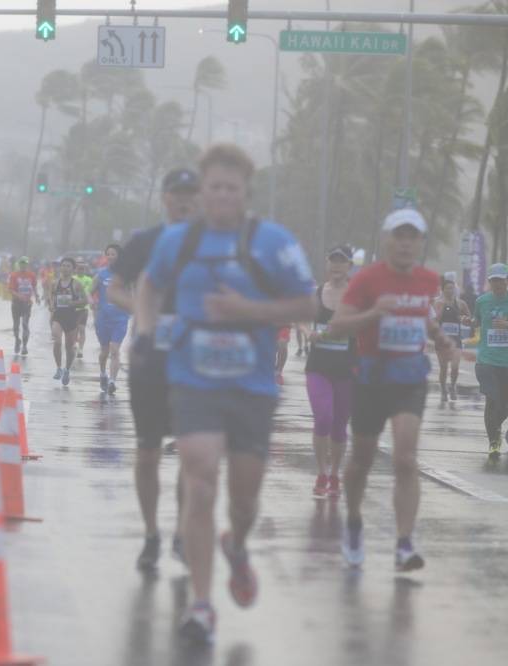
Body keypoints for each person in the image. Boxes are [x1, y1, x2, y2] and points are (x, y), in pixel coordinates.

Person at [134, 143, 315, 643]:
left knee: (242, 499)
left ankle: (236, 544)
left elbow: (307, 302)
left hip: (252, 387)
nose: (219, 195)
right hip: (194, 382)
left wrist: (247, 311)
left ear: (245, 193)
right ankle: (201, 605)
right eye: (212, 186)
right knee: (199, 477)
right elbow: (149, 286)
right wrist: (146, 332)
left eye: (230, 188)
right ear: (204, 188)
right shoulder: (179, 241)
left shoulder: (273, 242)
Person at [328, 208, 453, 573]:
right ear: (386, 240)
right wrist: (373, 314)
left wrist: (440, 336)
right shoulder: (367, 280)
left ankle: (403, 543)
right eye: (399, 235)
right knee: (361, 461)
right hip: (370, 378)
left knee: (405, 460)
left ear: (419, 243)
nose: (405, 243)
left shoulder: (428, 280)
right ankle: (353, 522)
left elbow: (423, 316)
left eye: (412, 236)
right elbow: (337, 326)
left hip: (410, 378)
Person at [108, 166, 200, 572]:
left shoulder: (214, 244)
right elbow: (113, 289)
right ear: (165, 198)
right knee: (148, 452)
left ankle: (181, 534)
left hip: (196, 365)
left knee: (191, 455)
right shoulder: (145, 242)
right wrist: (145, 311)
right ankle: (150, 536)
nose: (184, 200)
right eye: (177, 193)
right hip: (150, 362)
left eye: (190, 193)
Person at [300, 245, 356, 499]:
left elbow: (369, 321)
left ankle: (334, 474)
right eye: (332, 260)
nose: (337, 265)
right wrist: (307, 332)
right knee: (322, 418)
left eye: (342, 261)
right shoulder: (317, 293)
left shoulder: (357, 296)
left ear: (349, 266)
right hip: (318, 367)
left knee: (339, 426)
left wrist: (348, 328)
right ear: (326, 264)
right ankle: (321, 472)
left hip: (348, 369)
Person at [470, 263, 508, 461]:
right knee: (492, 399)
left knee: (506, 402)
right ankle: (493, 442)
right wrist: (468, 321)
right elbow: (477, 321)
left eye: (501, 279)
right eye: (494, 280)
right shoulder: (482, 301)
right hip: (487, 360)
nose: (498, 284)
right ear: (489, 282)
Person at [89, 244, 130, 394]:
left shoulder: (125, 276)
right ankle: (103, 374)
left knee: (115, 350)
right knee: (104, 351)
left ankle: (112, 381)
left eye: (114, 254)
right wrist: (90, 301)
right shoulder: (100, 276)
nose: (111, 256)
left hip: (120, 319)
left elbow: (132, 294)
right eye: (109, 254)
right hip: (103, 319)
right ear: (106, 257)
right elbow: (89, 292)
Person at [48, 256, 88, 385]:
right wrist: (52, 304)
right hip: (58, 316)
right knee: (57, 341)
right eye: (63, 266)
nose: (65, 268)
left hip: (71, 317)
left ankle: (67, 370)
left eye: (68, 266)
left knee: (69, 348)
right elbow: (52, 296)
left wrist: (74, 303)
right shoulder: (55, 283)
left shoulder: (76, 284)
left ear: (73, 269)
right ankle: (59, 368)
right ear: (60, 268)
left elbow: (85, 300)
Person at [433, 279, 470, 402]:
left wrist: (463, 318)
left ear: (455, 289)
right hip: (442, 340)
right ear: (443, 290)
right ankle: (443, 390)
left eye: (451, 288)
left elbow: (469, 318)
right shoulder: (438, 303)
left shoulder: (461, 303)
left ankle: (452, 387)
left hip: (456, 340)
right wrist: (441, 309)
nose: (450, 290)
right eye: (447, 288)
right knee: (443, 368)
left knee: (455, 366)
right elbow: (435, 321)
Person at [8, 256, 40, 356]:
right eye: (21, 263)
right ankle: (17, 340)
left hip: (27, 304)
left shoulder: (32, 275)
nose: (23, 265)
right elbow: (10, 289)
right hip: (16, 303)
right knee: (16, 326)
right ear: (19, 264)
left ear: (27, 265)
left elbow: (34, 285)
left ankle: (24, 347)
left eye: (24, 263)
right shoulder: (14, 275)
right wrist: (18, 295)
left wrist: (37, 296)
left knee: (25, 324)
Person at [72, 261, 94, 359]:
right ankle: (73, 345)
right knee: (74, 329)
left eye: (82, 269)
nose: (80, 271)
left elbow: (92, 292)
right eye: (79, 269)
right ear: (76, 270)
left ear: (85, 270)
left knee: (82, 329)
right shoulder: (72, 279)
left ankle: (80, 348)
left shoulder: (89, 280)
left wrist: (93, 301)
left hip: (83, 308)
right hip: (72, 307)